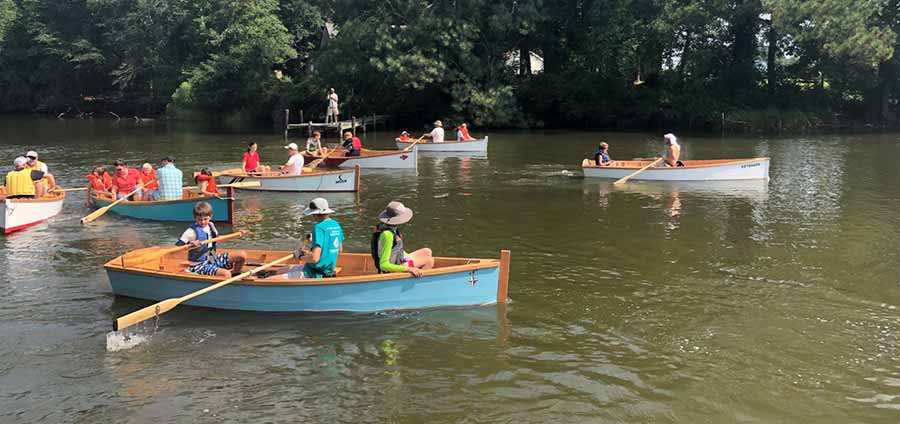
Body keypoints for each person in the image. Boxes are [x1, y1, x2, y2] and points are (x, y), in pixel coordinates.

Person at [260, 198, 344, 280]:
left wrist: (299, 256)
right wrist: (308, 253)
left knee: (272, 279)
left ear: (315, 214)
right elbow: (339, 250)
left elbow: (315, 259)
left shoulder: (318, 228)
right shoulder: (336, 225)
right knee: (283, 269)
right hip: (324, 269)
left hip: (314, 273)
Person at [176, 202, 247, 277]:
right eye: (199, 219)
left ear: (210, 217)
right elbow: (176, 248)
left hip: (212, 258)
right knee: (226, 274)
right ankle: (191, 271)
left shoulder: (211, 226)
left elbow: (218, 239)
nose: (203, 222)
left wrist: (237, 234)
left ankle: (235, 275)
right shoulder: (190, 232)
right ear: (195, 218)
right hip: (199, 265)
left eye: (205, 219)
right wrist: (189, 245)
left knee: (242, 255)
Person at [370, 201, 434, 278]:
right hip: (390, 269)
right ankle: (418, 286)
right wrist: (408, 269)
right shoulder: (388, 235)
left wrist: (408, 260)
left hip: (397, 261)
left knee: (427, 251)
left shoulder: (388, 228)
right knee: (429, 261)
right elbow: (383, 265)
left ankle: (416, 275)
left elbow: (394, 250)